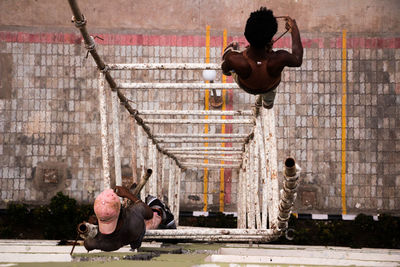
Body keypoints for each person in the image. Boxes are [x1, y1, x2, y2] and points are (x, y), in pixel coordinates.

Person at [221, 7, 303, 109]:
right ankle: (267, 103)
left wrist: (229, 68)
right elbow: (297, 59)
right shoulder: (279, 58)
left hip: (247, 86)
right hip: (269, 86)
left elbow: (224, 69)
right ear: (270, 40)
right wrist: (294, 29)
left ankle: (231, 55)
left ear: (247, 35)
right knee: (270, 93)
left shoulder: (235, 60)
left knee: (228, 56)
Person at [83, 186, 174, 252]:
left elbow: (87, 245)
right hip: (152, 222)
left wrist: (90, 232)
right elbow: (149, 213)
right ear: (120, 209)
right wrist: (128, 194)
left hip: (135, 232)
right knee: (156, 209)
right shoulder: (134, 216)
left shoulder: (104, 243)